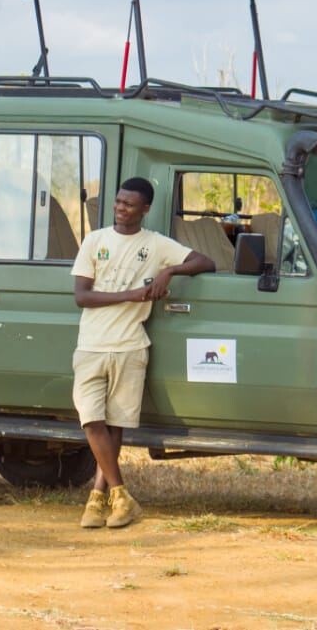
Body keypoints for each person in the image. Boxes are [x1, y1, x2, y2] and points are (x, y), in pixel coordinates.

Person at [71, 177, 215, 529]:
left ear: (145, 209)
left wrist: (169, 270)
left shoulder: (155, 244)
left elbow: (205, 261)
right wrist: (131, 295)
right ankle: (120, 493)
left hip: (130, 345)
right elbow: (82, 296)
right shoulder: (95, 240)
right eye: (118, 202)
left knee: (116, 424)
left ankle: (99, 499)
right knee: (91, 420)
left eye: (129, 204)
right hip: (91, 345)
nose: (121, 209)